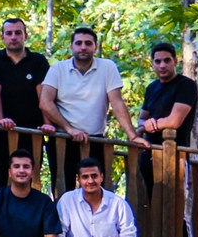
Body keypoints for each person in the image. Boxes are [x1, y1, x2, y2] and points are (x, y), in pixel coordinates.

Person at [135, 41, 198, 237]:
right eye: (157, 61)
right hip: (150, 156)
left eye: (166, 60)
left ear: (175, 61)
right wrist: (146, 126)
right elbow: (141, 120)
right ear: (152, 64)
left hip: (174, 158)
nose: (162, 65)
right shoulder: (152, 88)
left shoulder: (186, 86)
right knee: (154, 209)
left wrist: (153, 124)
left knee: (176, 210)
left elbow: (174, 121)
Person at [40, 26, 134, 192]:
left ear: (95, 47)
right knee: (63, 188)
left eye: (88, 43)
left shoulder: (107, 67)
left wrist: (132, 136)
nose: (83, 47)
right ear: (72, 47)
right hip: (63, 139)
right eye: (79, 43)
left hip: (95, 140)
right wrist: (69, 129)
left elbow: (117, 103)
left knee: (97, 189)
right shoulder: (58, 69)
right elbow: (45, 102)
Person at [0, 17, 51, 188]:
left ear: (25, 35)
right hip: (1, 132)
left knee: (29, 179)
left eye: (18, 33)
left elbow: (43, 95)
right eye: (9, 33)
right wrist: (0, 120)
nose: (13, 37)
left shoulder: (38, 61)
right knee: (3, 179)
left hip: (31, 132)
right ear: (3, 37)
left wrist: (48, 124)